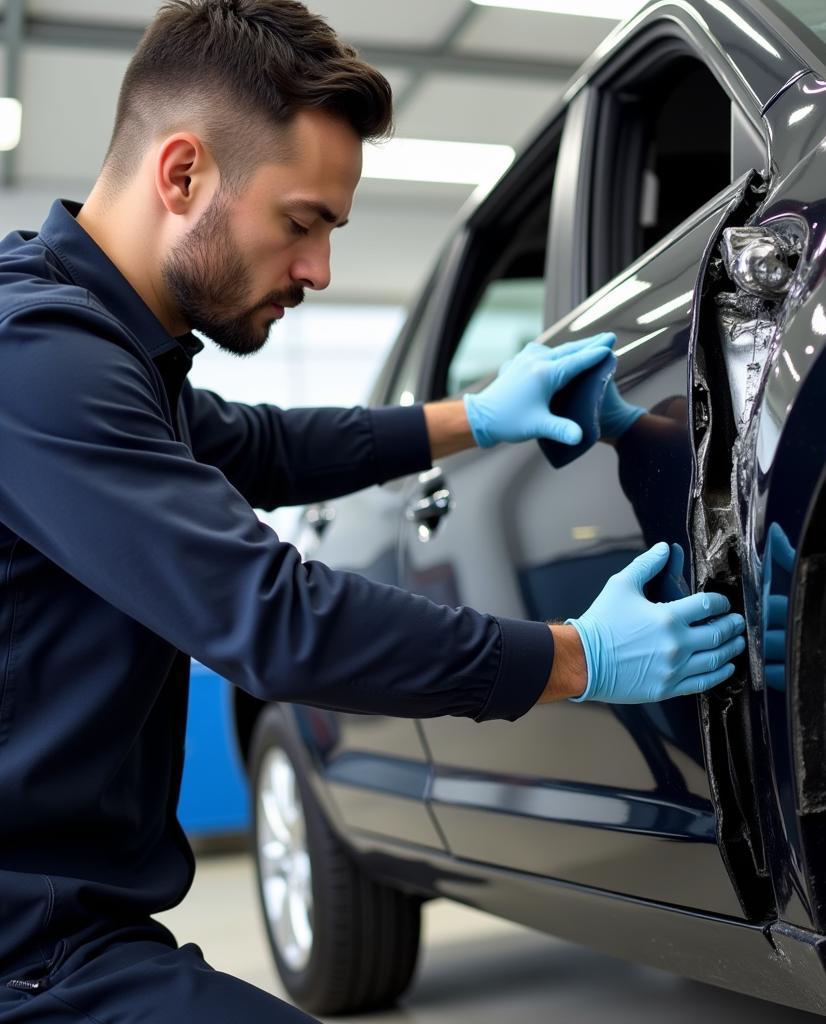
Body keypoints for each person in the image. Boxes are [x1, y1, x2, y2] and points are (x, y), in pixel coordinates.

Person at [0, 1, 746, 1019]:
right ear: (181, 175)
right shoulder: (39, 360)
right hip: (30, 959)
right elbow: (274, 618)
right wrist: (574, 658)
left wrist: (477, 416)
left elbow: (263, 445)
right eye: (300, 222)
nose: (317, 270)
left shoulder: (109, 353)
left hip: (66, 932)